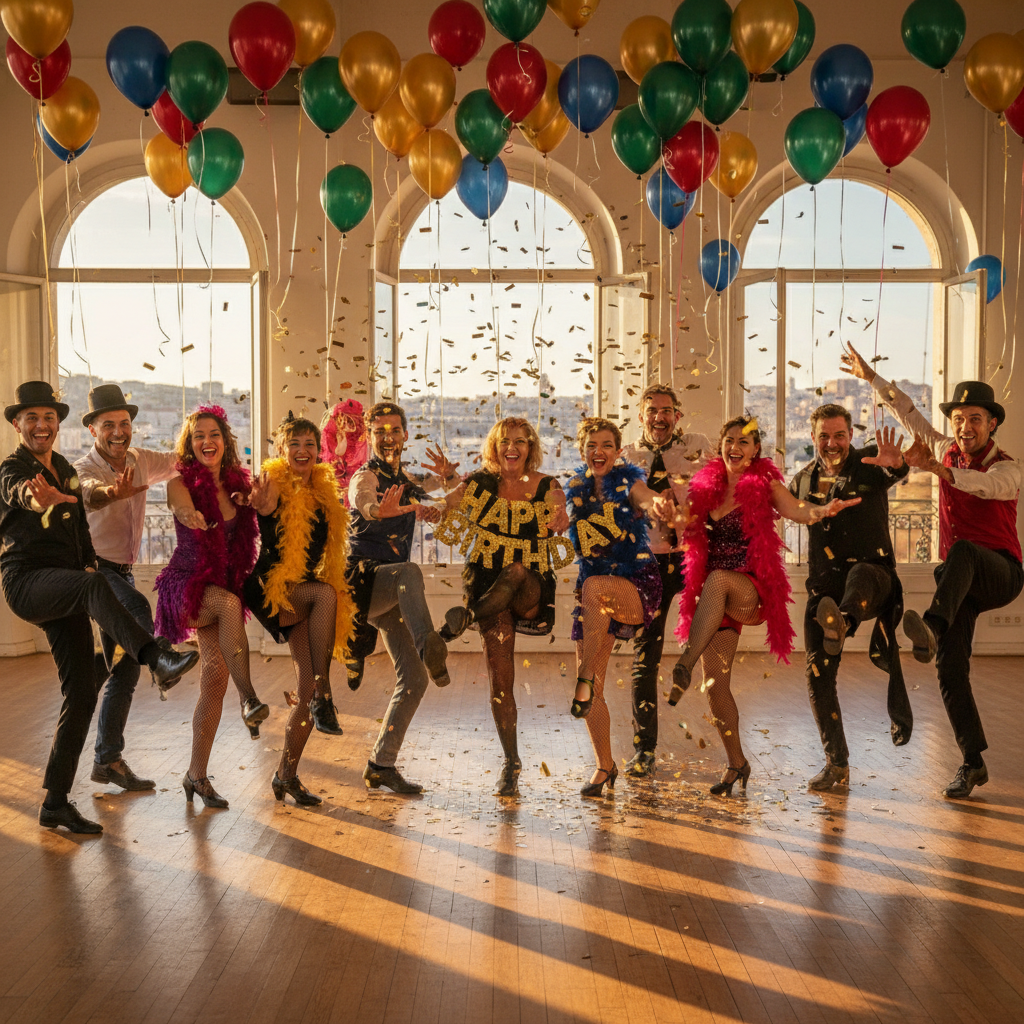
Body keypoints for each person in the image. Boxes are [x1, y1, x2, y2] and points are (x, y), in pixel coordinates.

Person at [0, 381, 198, 834]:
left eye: (49, 417)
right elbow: (19, 492)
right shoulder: (12, 468)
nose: (42, 425)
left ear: (58, 423)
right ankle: (156, 658)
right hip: (27, 582)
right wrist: (36, 497)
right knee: (96, 587)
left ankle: (55, 803)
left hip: (66, 583)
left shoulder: (63, 468)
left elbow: (82, 519)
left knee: (83, 693)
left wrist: (89, 555)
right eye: (32, 418)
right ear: (17, 425)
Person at [841, 343, 1023, 799]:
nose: (964, 427)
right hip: (960, 583)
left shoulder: (1008, 467)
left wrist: (937, 469)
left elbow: (984, 487)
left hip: (1001, 572)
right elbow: (907, 412)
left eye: (975, 418)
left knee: (961, 551)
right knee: (949, 670)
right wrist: (870, 378)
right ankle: (972, 762)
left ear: (992, 424)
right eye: (959, 419)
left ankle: (933, 629)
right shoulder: (944, 447)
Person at [668, 416, 860, 797]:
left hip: (749, 590)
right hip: (715, 604)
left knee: (718, 579)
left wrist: (822, 510)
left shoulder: (764, 484)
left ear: (756, 449)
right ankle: (737, 763)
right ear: (720, 446)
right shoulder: (705, 487)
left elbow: (796, 509)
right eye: (730, 440)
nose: (736, 447)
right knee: (715, 687)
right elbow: (684, 526)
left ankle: (684, 663)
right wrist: (668, 515)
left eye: (744, 441)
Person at [436, 417, 571, 796]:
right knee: (500, 681)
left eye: (520, 441)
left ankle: (456, 625)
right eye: (504, 441)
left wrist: (560, 516)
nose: (512, 447)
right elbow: (450, 501)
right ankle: (511, 762)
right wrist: (435, 505)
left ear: (531, 447)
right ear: (494, 448)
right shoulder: (480, 483)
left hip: (529, 587)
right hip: (488, 590)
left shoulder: (546, 484)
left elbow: (558, 505)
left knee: (516, 569)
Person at [789, 404, 912, 791]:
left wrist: (897, 465)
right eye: (824, 436)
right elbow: (782, 507)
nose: (832, 443)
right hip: (824, 590)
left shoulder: (869, 462)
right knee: (818, 675)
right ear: (813, 438)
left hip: (874, 579)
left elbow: (895, 470)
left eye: (839, 435)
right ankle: (837, 763)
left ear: (850, 436)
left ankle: (841, 622)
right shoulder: (803, 480)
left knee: (860, 574)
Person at [346, 400, 460, 794]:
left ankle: (381, 764)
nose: (388, 437)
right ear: (369, 436)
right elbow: (362, 499)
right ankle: (432, 646)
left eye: (394, 430)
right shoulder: (364, 476)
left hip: (393, 589)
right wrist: (377, 510)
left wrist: (448, 477)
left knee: (413, 680)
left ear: (405, 435)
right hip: (363, 584)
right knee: (410, 570)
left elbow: (447, 492)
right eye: (379, 431)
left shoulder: (407, 481)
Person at [154, 404, 265, 809]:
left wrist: (259, 500)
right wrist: (190, 515)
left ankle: (195, 775)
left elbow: (260, 516)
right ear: (190, 444)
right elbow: (179, 505)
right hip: (185, 586)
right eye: (198, 436)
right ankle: (249, 698)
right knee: (230, 603)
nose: (207, 441)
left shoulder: (239, 485)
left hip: (219, 590)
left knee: (215, 679)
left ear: (225, 441)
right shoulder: (179, 482)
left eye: (214, 434)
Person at [73, 383, 181, 792]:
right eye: (108, 425)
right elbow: (88, 494)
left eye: (124, 423)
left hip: (123, 570)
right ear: (92, 430)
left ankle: (107, 760)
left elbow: (179, 461)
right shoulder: (83, 468)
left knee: (120, 670)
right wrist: (112, 492)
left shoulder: (139, 459)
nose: (118, 432)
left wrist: (213, 449)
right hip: (95, 573)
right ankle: (160, 660)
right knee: (137, 609)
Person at [244, 414, 356, 806]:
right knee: (326, 595)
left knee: (304, 686)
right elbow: (265, 503)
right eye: (294, 444)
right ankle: (325, 696)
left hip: (303, 590)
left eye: (310, 444)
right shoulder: (274, 482)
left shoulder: (324, 490)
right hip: (272, 587)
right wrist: (260, 505)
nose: (303, 451)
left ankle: (286, 776)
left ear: (319, 451)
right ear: (281, 450)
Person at [566, 417, 674, 798]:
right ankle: (605, 766)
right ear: (582, 450)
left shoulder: (628, 482)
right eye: (592, 445)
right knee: (594, 690)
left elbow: (645, 496)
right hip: (593, 597)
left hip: (635, 583)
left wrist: (657, 503)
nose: (599, 452)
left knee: (594, 587)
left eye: (607, 445)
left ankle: (584, 674)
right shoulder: (576, 489)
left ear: (618, 451)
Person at [619, 384, 711, 778]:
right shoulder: (626, 456)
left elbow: (725, 484)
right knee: (646, 656)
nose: (660, 417)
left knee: (715, 636)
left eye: (667, 410)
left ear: (677, 415)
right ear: (641, 416)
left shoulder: (698, 446)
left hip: (691, 559)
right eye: (653, 410)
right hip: (648, 564)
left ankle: (689, 666)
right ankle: (644, 749)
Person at [320, 399, 367, 507]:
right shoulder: (330, 437)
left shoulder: (360, 442)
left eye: (350, 421)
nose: (346, 425)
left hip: (355, 491)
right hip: (335, 492)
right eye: (341, 421)